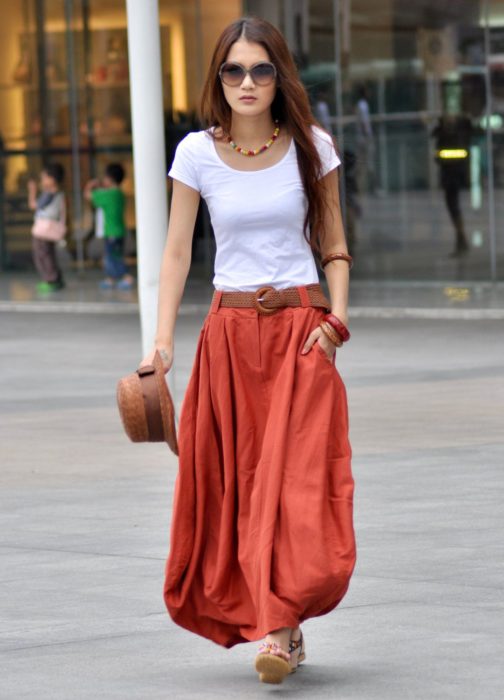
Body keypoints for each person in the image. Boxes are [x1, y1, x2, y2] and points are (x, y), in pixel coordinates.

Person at [140, 16, 356, 685]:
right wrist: (160, 342)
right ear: (218, 79)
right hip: (228, 338)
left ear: (279, 75)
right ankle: (279, 629)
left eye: (261, 69)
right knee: (241, 488)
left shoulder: (311, 146)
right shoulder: (196, 154)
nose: (247, 82)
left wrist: (335, 324)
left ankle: (281, 627)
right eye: (233, 70)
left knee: (293, 488)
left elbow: (335, 247)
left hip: (299, 332)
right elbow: (177, 252)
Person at [84, 163, 134, 289]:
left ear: (110, 179)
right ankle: (110, 279)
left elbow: (88, 196)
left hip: (111, 232)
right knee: (112, 256)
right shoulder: (118, 193)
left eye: (105, 178)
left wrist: (90, 185)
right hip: (119, 230)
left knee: (113, 257)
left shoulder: (109, 194)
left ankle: (126, 277)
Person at [432, 114, 473, 257]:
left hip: (452, 177)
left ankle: (462, 239)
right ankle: (461, 239)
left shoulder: (452, 136)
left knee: (453, 207)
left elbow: (440, 156)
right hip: (452, 176)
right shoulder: (453, 135)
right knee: (453, 207)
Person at [28, 163, 66, 293]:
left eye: (44, 178)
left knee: (42, 256)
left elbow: (33, 205)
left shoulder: (49, 194)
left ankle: (50, 279)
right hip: (51, 230)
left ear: (52, 179)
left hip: (43, 231)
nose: (42, 181)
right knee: (49, 255)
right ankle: (56, 278)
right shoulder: (59, 194)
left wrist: (32, 191)